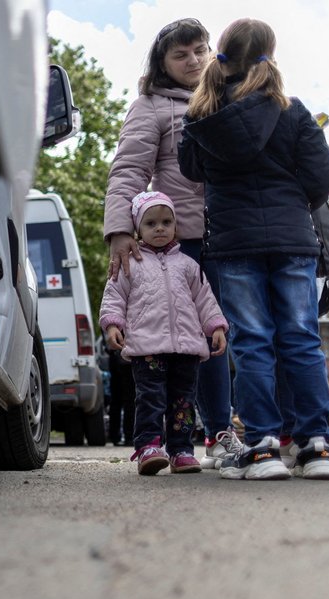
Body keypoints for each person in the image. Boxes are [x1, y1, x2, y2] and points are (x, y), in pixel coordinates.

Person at [178, 17, 329, 480]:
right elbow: (324, 176)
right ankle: (316, 447)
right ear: (270, 55)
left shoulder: (202, 114)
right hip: (294, 242)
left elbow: (190, 169)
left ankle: (263, 447)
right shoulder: (293, 111)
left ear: (221, 56)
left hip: (233, 244)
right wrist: (293, 202)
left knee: (251, 344)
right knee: (303, 340)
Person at [103, 17, 235, 468]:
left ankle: (266, 432)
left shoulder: (231, 94)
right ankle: (216, 434)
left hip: (239, 237)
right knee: (205, 340)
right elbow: (128, 172)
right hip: (189, 244)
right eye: (180, 54)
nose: (193, 60)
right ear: (163, 63)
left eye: (200, 49)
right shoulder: (152, 106)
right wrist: (121, 230)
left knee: (243, 337)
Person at [100, 191, 228, 475]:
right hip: (147, 348)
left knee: (183, 401)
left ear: (175, 226)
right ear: (137, 228)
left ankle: (181, 450)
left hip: (186, 349)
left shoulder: (188, 265)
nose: (160, 228)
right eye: (151, 223)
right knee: (150, 397)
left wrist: (216, 326)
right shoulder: (129, 263)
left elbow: (205, 299)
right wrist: (112, 323)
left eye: (166, 222)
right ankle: (148, 446)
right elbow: (113, 295)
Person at [107, 347, 135, 445]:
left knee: (116, 399)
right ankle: (129, 435)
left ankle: (114, 435)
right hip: (129, 358)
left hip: (115, 356)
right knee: (130, 399)